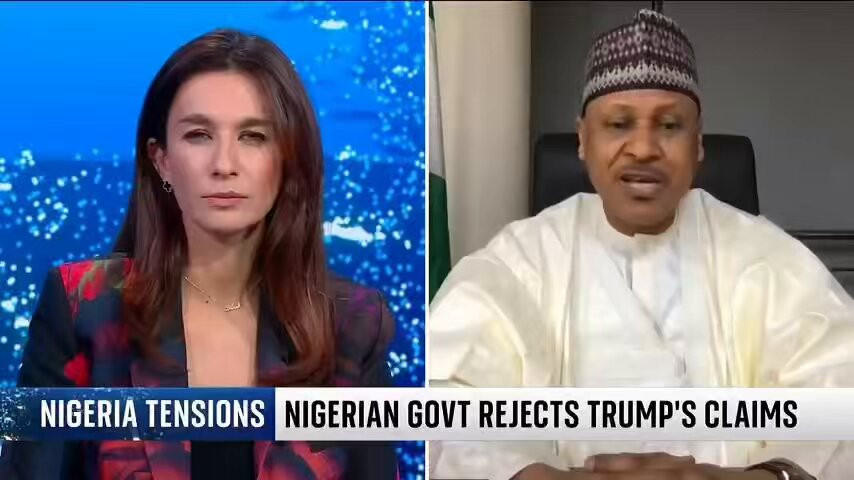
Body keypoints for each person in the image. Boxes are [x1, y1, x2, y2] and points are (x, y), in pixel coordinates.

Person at [429, 9, 854, 480]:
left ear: (698, 143)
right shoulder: (519, 260)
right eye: (619, 124)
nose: (644, 148)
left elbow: (840, 393)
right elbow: (449, 403)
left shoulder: (767, 258)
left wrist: (764, 477)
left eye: (669, 125)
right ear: (582, 140)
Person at [0, 29, 398, 479]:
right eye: (198, 135)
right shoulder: (81, 308)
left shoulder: (353, 325)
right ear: (162, 160)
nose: (224, 164)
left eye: (253, 136)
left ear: (289, 160)